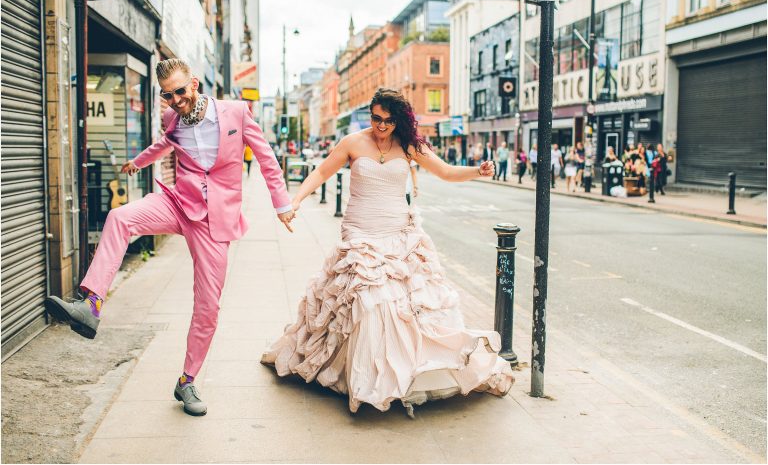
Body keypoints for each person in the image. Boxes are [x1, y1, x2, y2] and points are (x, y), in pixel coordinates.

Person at [44, 58, 295, 417]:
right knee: (119, 216)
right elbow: (166, 143)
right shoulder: (171, 118)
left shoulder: (236, 113)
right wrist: (138, 162)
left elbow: (267, 159)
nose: (175, 100)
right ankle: (91, 304)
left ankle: (187, 381)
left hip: (215, 221)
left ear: (194, 84)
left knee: (207, 307)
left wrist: (282, 204)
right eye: (167, 95)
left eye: (180, 91)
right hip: (179, 203)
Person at [261, 88, 514, 418]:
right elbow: (322, 172)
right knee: (368, 302)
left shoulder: (408, 145)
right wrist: (295, 201)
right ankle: (366, 378)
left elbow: (447, 172)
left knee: (402, 308)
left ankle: (400, 373)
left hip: (399, 234)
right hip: (360, 233)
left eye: (388, 120)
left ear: (399, 120)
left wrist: (476, 171)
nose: (381, 125)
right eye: (376, 118)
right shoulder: (353, 142)